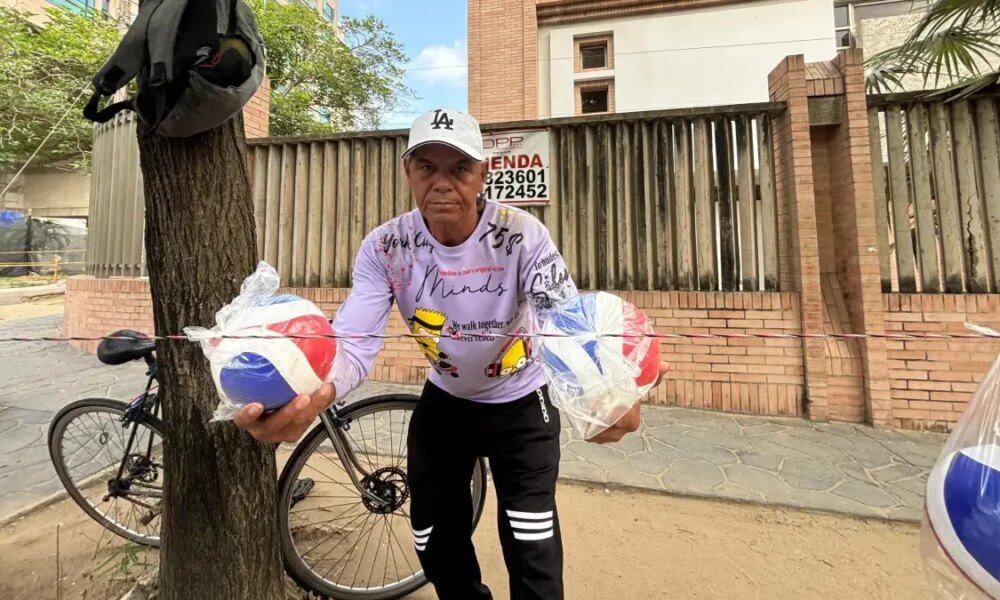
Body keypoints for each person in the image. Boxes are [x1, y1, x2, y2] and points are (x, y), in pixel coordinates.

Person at [233, 107, 668, 599]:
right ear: (408, 173)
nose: (442, 183)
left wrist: (609, 388)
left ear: (483, 173)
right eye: (427, 167)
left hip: (522, 403)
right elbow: (353, 341)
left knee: (532, 545)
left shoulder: (522, 236)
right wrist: (314, 392)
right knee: (433, 538)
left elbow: (563, 325)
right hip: (446, 405)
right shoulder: (385, 247)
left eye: (459, 168)